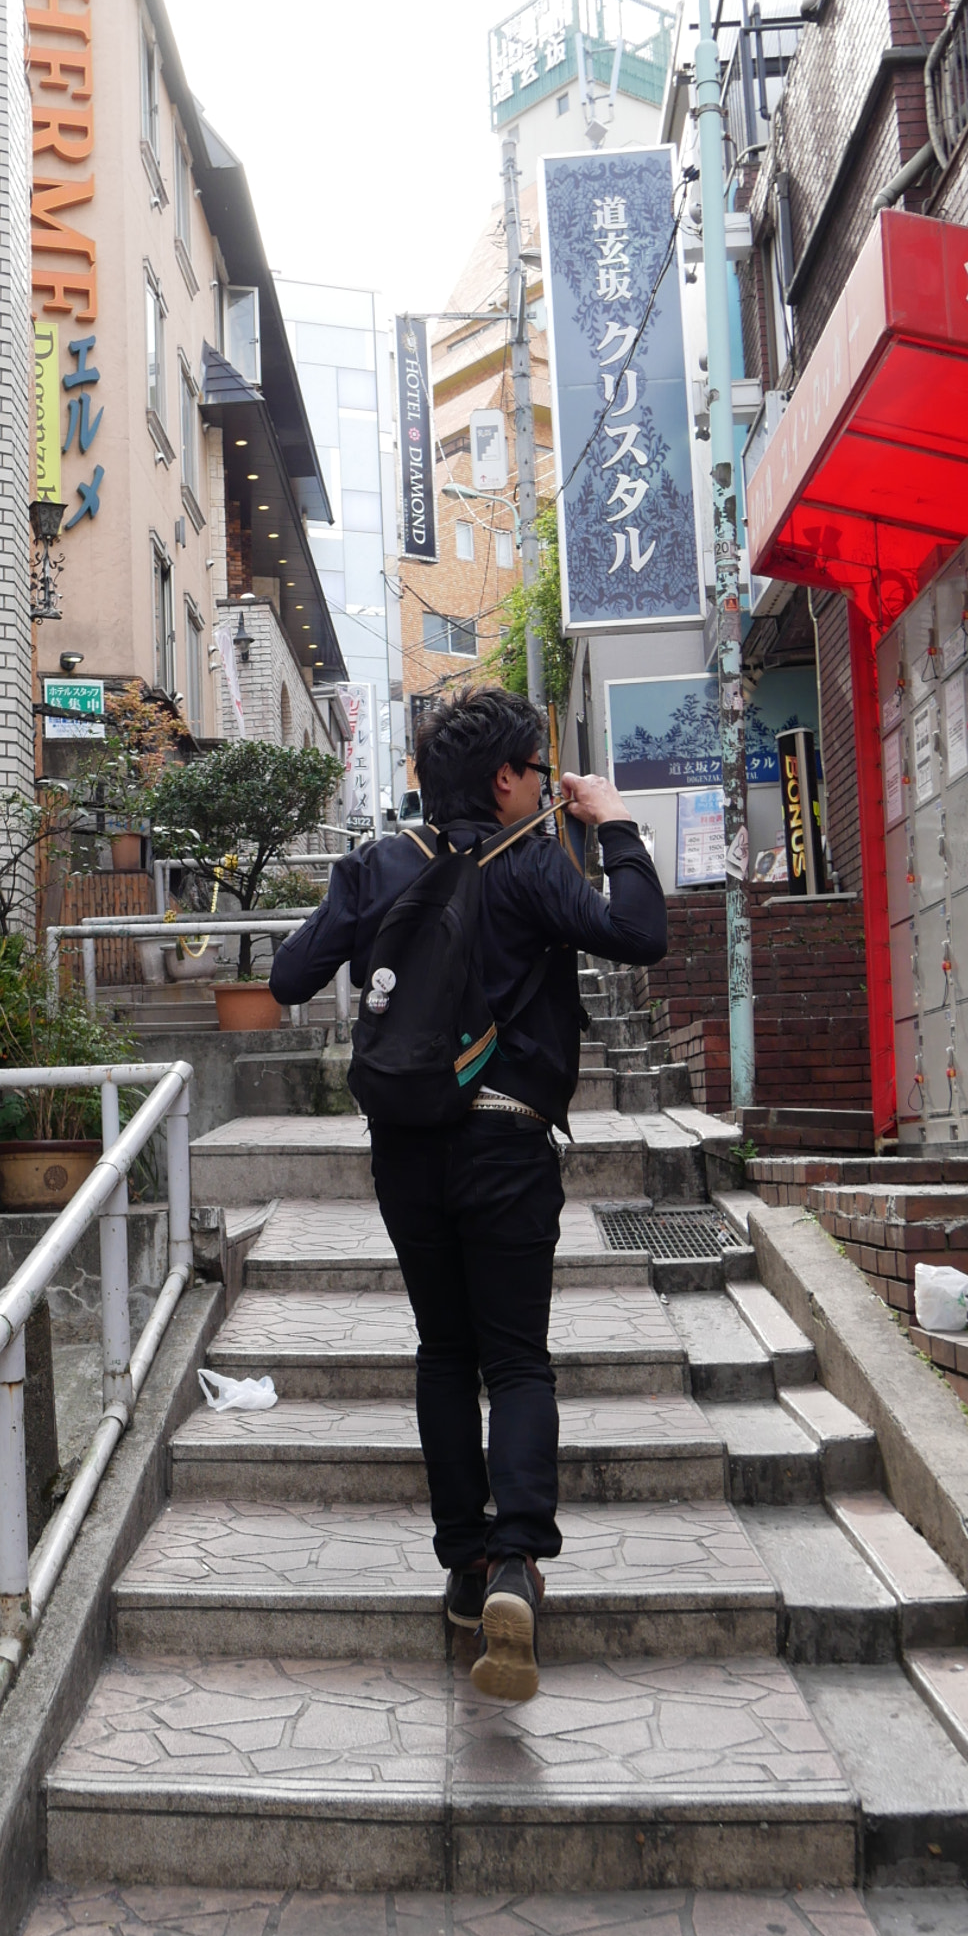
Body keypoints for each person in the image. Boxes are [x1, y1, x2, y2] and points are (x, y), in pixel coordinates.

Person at [270, 687, 666, 1702]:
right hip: (505, 1141)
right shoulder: (529, 863)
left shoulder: (376, 862)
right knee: (515, 1359)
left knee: (443, 1352)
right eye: (534, 771)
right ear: (505, 781)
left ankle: (461, 1565)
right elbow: (639, 934)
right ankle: (516, 1564)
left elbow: (286, 975)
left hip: (407, 1145)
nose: (540, 785)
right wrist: (612, 822)